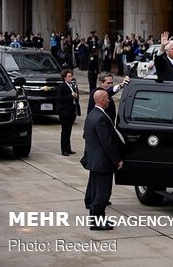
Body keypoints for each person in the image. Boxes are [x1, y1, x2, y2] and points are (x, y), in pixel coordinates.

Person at [81, 90, 124, 231]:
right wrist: (117, 160)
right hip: (102, 163)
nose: (109, 101)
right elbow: (107, 143)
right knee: (103, 193)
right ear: (101, 100)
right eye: (107, 98)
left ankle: (97, 220)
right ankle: (97, 222)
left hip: (94, 161)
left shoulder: (91, 115)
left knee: (96, 193)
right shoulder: (100, 118)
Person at [57, 69, 80, 156]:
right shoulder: (62, 86)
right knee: (65, 131)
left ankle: (68, 148)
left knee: (69, 131)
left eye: (71, 76)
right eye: (69, 76)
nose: (71, 78)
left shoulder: (72, 85)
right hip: (64, 112)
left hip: (72, 111)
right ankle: (64, 150)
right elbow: (60, 99)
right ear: (64, 78)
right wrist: (70, 96)